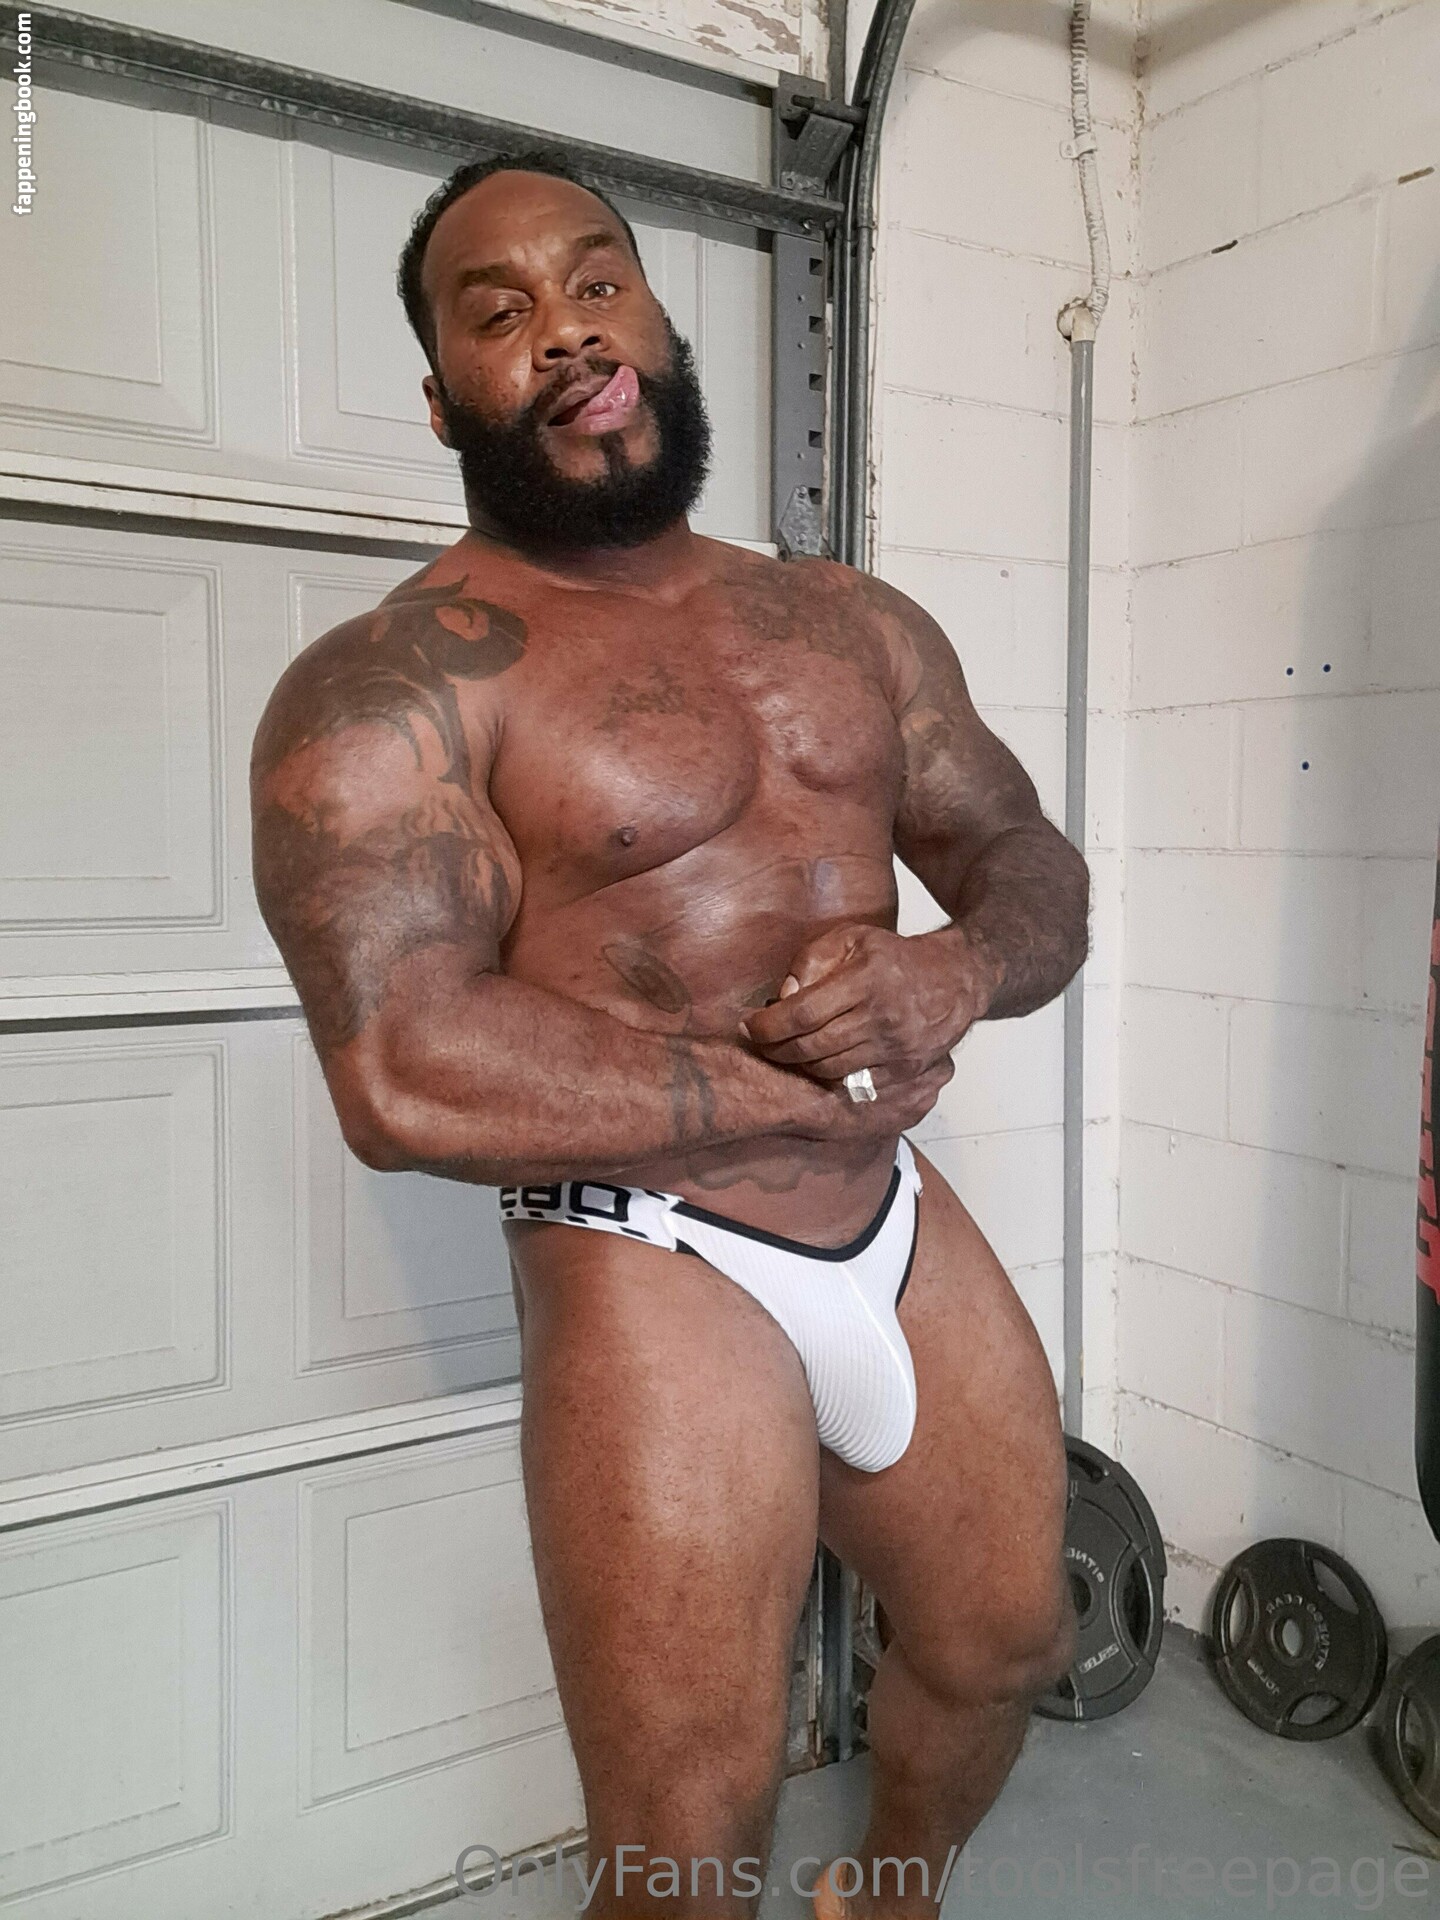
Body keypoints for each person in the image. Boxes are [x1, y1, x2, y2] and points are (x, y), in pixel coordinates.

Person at [250, 148, 1088, 1920]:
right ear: (441, 402)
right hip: (657, 1251)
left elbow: (1028, 860)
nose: (566, 330)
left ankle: (889, 1902)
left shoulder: (850, 619)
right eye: (500, 313)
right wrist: (758, 1090)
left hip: (889, 1211)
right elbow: (401, 1067)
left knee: (1007, 1639)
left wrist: (955, 972)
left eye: (596, 280)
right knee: (687, 1841)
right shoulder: (397, 683)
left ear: (654, 320)